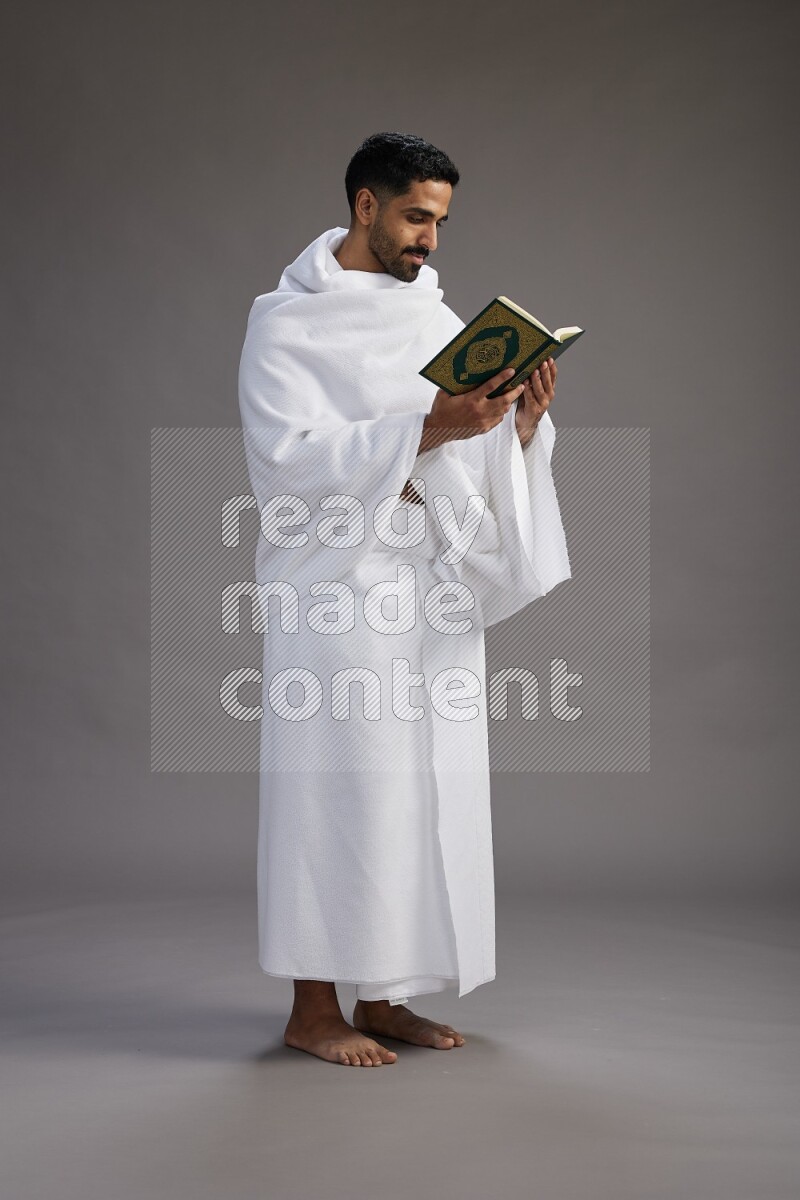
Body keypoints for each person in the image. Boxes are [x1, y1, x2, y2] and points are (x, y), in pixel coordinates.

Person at [238, 132, 570, 1066]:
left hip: (428, 583)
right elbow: (285, 461)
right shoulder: (287, 324)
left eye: (441, 222)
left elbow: (464, 447)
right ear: (365, 206)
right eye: (417, 216)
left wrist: (519, 427)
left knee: (417, 790)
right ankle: (312, 1009)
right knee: (333, 786)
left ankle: (381, 996)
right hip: (335, 591)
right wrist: (426, 427)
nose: (429, 238)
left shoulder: (434, 318)